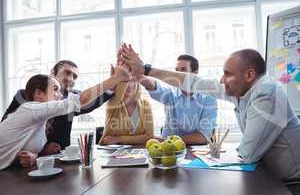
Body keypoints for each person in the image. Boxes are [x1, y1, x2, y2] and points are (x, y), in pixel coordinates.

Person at [120, 44, 300, 181]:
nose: (222, 79)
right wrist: (146, 70)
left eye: (227, 73)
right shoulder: (242, 90)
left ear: (249, 75)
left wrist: (205, 161)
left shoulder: (266, 94)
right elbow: (195, 82)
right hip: (271, 177)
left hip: (289, 183)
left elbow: (247, 155)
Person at [0, 64, 129, 170]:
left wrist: (35, 155)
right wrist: (115, 78)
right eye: (55, 89)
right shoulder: (30, 108)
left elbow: (14, 147)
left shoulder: (41, 123)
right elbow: (82, 99)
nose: (60, 95)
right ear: (39, 93)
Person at [138, 54, 217, 145]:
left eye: (183, 70)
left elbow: (203, 136)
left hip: (195, 151)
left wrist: (168, 140)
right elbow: (154, 87)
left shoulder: (208, 98)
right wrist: (139, 76)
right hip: (169, 150)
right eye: (176, 71)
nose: (177, 75)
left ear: (195, 73)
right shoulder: (170, 93)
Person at [99, 80, 154, 145]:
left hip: (139, 153)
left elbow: (149, 136)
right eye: (125, 81)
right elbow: (107, 140)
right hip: (114, 152)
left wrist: (118, 139)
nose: (129, 85)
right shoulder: (112, 104)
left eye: (132, 80)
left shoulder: (145, 104)